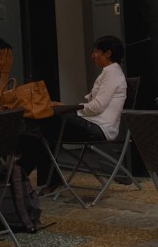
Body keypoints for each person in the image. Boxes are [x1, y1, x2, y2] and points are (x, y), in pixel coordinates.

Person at [33, 35, 128, 192]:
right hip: (94, 124)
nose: (93, 56)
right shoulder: (110, 73)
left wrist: (71, 108)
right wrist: (69, 108)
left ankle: (45, 178)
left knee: (45, 124)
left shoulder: (112, 74)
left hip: (99, 128)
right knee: (43, 128)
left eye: (96, 52)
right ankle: (48, 179)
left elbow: (96, 106)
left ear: (108, 53)